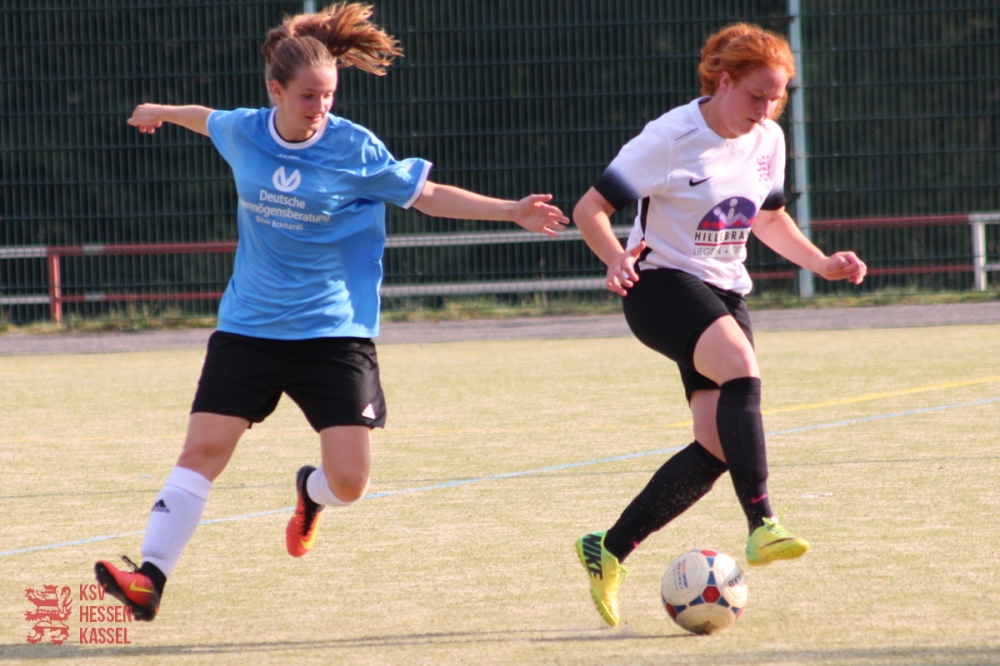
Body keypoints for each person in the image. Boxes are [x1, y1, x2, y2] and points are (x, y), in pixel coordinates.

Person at [94, 2, 568, 622]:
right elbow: (205, 119)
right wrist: (159, 111)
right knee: (203, 450)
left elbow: (425, 195)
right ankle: (149, 577)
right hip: (249, 327)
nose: (321, 107)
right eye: (308, 96)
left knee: (349, 482)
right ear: (275, 91)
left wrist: (511, 211)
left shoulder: (354, 147)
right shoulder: (245, 131)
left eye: (328, 96)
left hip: (333, 333)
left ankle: (309, 492)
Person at [572, 23, 866, 628]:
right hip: (658, 285)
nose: (768, 109)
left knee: (716, 444)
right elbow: (590, 208)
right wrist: (615, 256)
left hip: (724, 291)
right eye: (758, 95)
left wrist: (821, 263)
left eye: (777, 98)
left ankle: (609, 548)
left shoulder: (769, 139)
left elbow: (769, 219)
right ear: (724, 81)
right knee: (741, 367)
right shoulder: (670, 137)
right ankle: (763, 523)